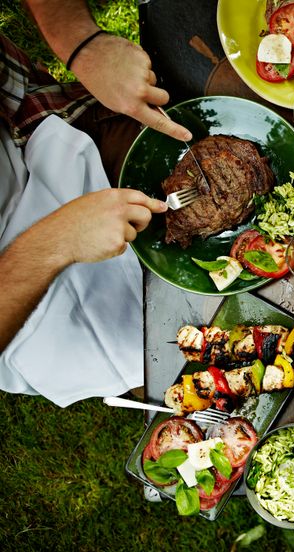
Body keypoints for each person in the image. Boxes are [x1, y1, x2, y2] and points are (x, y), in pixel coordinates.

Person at [0, 1, 186, 404]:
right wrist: (55, 242)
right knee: (180, 363)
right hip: (33, 320)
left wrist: (81, 43)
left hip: (37, 123)